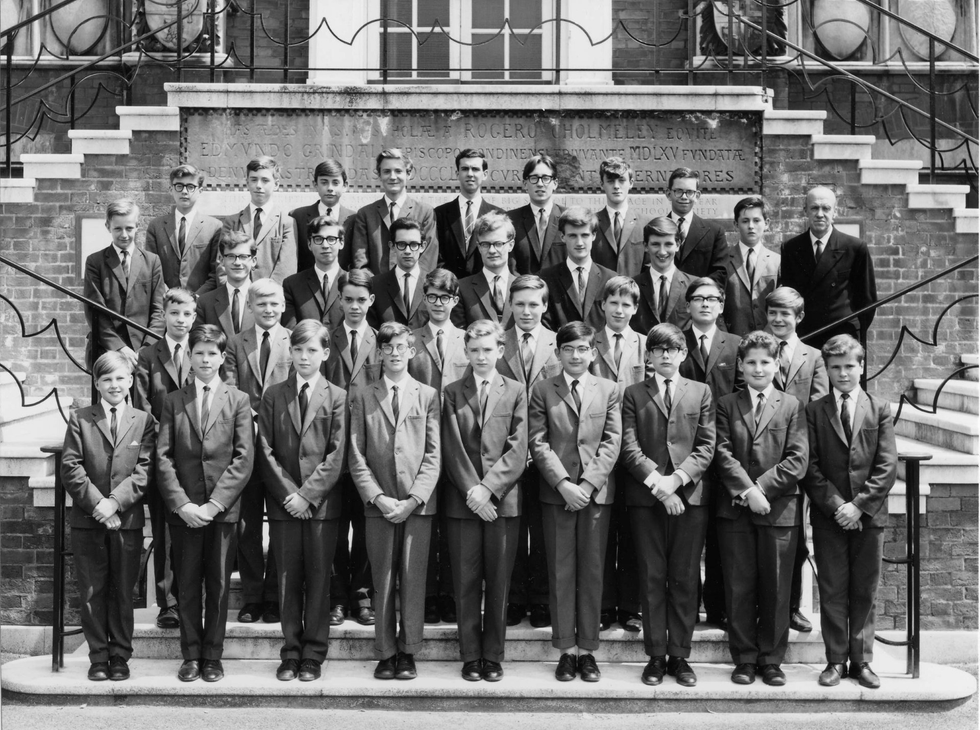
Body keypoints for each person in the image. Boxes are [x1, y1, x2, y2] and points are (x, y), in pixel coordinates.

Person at [156, 324, 254, 683]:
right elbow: (163, 458)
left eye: (212, 353)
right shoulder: (173, 401)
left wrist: (214, 505)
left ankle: (213, 655)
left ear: (222, 357)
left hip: (222, 511)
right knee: (187, 583)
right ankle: (191, 654)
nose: (206, 359)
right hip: (185, 512)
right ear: (190, 357)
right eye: (199, 352)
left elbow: (243, 458)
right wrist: (182, 504)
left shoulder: (238, 400)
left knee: (219, 584)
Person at [620, 323, 715, 687]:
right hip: (647, 499)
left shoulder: (701, 392)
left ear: (683, 354)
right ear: (648, 355)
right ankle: (656, 656)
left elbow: (706, 446)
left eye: (672, 350)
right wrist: (659, 486)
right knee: (652, 575)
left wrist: (676, 482)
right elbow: (629, 448)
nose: (664, 355)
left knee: (685, 577)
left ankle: (680, 656)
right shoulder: (633, 393)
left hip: (689, 499)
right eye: (657, 350)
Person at [712, 330, 808, 687]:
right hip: (736, 509)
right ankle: (745, 658)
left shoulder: (792, 405)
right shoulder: (725, 404)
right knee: (740, 585)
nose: (757, 368)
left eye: (765, 361)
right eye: (750, 361)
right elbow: (721, 452)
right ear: (740, 365)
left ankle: (771, 659)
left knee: (776, 586)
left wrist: (761, 489)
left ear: (776, 363)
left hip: (778, 509)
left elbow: (797, 458)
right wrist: (745, 491)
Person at [528, 321, 622, 683]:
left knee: (593, 571)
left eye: (583, 348)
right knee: (561, 571)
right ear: (558, 353)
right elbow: (538, 441)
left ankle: (588, 651)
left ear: (593, 352)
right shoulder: (543, 390)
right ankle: (566, 651)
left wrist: (588, 482)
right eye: (569, 349)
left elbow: (612, 441)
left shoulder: (609, 389)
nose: (576, 355)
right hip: (557, 495)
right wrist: (565, 484)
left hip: (596, 495)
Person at [348, 322, 441, 681]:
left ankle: (409, 650)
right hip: (380, 505)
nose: (396, 353)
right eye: (389, 348)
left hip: (417, 506)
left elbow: (433, 455)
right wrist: (377, 497)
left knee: (413, 578)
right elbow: (356, 454)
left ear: (412, 351)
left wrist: (415, 498)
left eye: (402, 346)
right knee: (382, 580)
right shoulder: (363, 395)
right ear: (380, 353)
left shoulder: (428, 395)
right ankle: (385, 651)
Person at [802, 334, 897, 689]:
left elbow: (887, 466)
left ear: (862, 367)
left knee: (864, 589)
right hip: (830, 516)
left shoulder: (879, 408)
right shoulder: (814, 411)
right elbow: (810, 466)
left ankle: (862, 661)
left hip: (868, 517)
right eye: (835, 368)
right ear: (826, 370)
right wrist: (837, 505)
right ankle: (835, 660)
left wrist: (859, 506)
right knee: (832, 588)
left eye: (849, 367)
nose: (843, 374)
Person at [257, 319, 348, 682]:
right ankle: (290, 651)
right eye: (298, 350)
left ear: (325, 354)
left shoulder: (338, 396)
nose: (304, 357)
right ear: (289, 352)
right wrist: (288, 495)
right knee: (287, 580)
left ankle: (313, 653)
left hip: (321, 506)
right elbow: (264, 449)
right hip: (283, 504)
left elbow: (338, 452)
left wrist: (308, 495)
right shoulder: (274, 394)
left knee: (318, 578)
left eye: (312, 350)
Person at [441, 319, 528, 682]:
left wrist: (489, 489)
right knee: (465, 580)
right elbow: (451, 446)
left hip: (502, 502)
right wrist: (472, 491)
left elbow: (518, 447)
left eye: (488, 350)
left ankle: (492, 655)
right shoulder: (450, 392)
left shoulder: (516, 390)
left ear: (500, 351)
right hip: (464, 502)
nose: (481, 356)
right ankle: (470, 654)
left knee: (498, 580)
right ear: (465, 351)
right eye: (474, 350)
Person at [62, 352, 155, 682]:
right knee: (92, 591)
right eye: (107, 379)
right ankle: (98, 655)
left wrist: (115, 503)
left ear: (130, 380)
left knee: (122, 590)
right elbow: (71, 467)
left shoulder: (144, 421)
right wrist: (98, 505)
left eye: (120, 378)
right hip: (88, 521)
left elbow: (145, 471)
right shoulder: (81, 419)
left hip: (126, 521)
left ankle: (120, 656)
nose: (114, 385)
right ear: (97, 383)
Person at [223, 278, 293, 624]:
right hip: (247, 442)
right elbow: (232, 387)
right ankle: (252, 596)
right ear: (250, 307)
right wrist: (249, 418)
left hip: (282, 444)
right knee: (248, 523)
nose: (268, 310)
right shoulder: (236, 343)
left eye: (274, 303)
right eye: (261, 304)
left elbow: (295, 390)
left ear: (283, 306)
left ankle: (277, 595)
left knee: (280, 521)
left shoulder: (294, 342)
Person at [496, 275, 562, 627]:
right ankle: (514, 597)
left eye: (534, 304)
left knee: (544, 528)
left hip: (547, 449)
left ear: (545, 306)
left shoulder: (558, 343)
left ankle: (541, 599)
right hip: (507, 450)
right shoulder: (498, 342)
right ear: (509, 304)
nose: (526, 311)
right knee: (513, 529)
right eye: (519, 303)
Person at [679, 277, 743, 631]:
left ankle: (717, 608)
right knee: (688, 540)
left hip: (723, 453)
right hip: (684, 454)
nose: (705, 304)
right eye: (698, 298)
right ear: (687, 306)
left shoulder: (735, 345)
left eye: (712, 299)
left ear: (721, 306)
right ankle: (687, 609)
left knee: (721, 538)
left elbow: (741, 398)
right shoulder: (676, 343)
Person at [766, 286, 830, 634]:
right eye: (773, 312)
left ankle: (791, 606)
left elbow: (817, 406)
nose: (778, 319)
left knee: (793, 537)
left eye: (785, 314)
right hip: (759, 457)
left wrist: (797, 450)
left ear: (799, 318)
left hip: (798, 457)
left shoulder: (813, 357)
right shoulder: (756, 349)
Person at [133, 287, 197, 630]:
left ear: (195, 316)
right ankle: (168, 603)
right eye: (175, 314)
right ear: (165, 315)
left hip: (199, 456)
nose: (181, 320)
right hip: (163, 454)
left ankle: (194, 598)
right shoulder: (148, 355)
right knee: (165, 532)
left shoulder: (203, 351)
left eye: (187, 314)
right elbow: (142, 405)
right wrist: (167, 438)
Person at [408, 268, 468, 623]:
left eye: (445, 298)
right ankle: (428, 593)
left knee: (455, 522)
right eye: (431, 296)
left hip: (461, 443)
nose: (438, 304)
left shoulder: (466, 338)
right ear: (424, 298)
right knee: (426, 519)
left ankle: (450, 593)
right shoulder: (412, 340)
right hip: (422, 446)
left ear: (455, 300)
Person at [324, 269, 382, 627]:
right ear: (339, 300)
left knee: (364, 527)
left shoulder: (381, 340)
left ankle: (362, 596)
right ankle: (336, 598)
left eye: (362, 300)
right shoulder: (326, 339)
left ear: (371, 301)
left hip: (368, 447)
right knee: (333, 525)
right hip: (331, 445)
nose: (355, 306)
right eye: (348, 299)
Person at [591, 276, 647, 632]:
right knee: (601, 530)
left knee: (632, 529)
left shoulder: (645, 344)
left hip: (636, 448)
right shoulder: (589, 343)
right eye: (614, 302)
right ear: (603, 305)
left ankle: (629, 605)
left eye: (627, 304)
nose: (620, 310)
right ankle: (602, 603)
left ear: (636, 309)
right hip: (598, 448)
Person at [778, 186, 878, 349]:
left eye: (826, 208)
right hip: (805, 336)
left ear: (835, 212)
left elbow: (867, 301)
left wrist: (855, 334)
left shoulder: (854, 247)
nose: (819, 214)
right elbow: (790, 297)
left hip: (842, 337)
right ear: (805, 211)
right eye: (814, 208)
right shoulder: (791, 248)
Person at [83, 198, 166, 369]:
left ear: (138, 226)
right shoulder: (95, 262)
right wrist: (119, 347)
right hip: (107, 352)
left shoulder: (152, 262)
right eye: (117, 229)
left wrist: (146, 348)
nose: (124, 235)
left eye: (129, 228)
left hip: (144, 354)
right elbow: (94, 310)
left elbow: (159, 311)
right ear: (108, 227)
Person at [351, 148, 438, 275]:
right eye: (386, 171)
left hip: (414, 288)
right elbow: (360, 261)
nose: (392, 177)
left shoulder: (425, 212)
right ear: (379, 175)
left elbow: (428, 260)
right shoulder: (365, 214)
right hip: (377, 288)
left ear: (408, 174)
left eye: (398, 171)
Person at [144, 164, 222, 294]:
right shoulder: (156, 226)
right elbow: (151, 269)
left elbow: (216, 272)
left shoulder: (214, 227)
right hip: (166, 303)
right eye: (179, 186)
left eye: (191, 187)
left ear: (200, 191)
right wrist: (169, 295)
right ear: (171, 190)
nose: (184, 191)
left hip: (200, 304)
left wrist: (196, 298)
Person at [222, 156, 297, 284]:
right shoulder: (232, 222)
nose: (258, 186)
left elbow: (286, 268)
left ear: (276, 184)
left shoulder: (286, 223)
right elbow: (222, 265)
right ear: (247, 183)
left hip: (271, 298)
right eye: (254, 180)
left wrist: (265, 295)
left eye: (265, 180)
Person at [540, 207, 616, 333]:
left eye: (585, 235)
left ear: (594, 236)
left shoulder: (611, 279)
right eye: (573, 236)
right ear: (562, 237)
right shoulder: (546, 279)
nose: (579, 242)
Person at [434, 149, 504, 277]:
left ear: (485, 174)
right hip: (449, 288)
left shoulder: (498, 215)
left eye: (475, 169)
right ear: (457, 173)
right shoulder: (439, 214)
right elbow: (436, 256)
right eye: (465, 169)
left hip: (483, 288)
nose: (470, 174)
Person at [723, 196, 779, 336]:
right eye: (745, 221)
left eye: (756, 220)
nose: (751, 226)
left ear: (766, 223)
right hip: (733, 337)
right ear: (736, 224)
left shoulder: (777, 261)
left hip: (768, 339)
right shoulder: (723, 260)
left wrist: (768, 333)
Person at [664, 168, 728, 288]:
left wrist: (697, 294)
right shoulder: (655, 228)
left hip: (699, 301)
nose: (684, 197)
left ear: (697, 195)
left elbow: (720, 273)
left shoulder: (714, 232)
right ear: (668, 194)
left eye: (689, 192)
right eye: (678, 191)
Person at [452, 211, 516, 330]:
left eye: (498, 244)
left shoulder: (522, 286)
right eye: (485, 244)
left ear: (511, 245)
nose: (492, 250)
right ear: (479, 246)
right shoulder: (462, 288)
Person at [282, 216, 347, 331]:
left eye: (331, 239)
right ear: (309, 244)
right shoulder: (292, 285)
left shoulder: (352, 282)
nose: (325, 245)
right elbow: (290, 332)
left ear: (341, 243)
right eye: (318, 239)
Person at [290, 159, 355, 272]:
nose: (330, 188)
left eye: (335, 183)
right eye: (324, 182)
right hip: (307, 283)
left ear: (345, 186)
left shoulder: (354, 218)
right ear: (315, 185)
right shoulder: (297, 216)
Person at [631, 217, 693, 335]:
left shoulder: (693, 285)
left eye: (668, 244)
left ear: (678, 245)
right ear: (645, 246)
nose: (662, 252)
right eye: (655, 244)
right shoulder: (633, 286)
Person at [592, 157, 650, 278]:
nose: (616, 186)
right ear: (602, 184)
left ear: (631, 183)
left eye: (621, 180)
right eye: (610, 181)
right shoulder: (591, 222)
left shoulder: (646, 223)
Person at [508, 153, 566, 274]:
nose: (540, 184)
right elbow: (511, 268)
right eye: (534, 178)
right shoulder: (510, 220)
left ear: (555, 183)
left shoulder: (568, 217)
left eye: (546, 178)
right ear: (525, 184)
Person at [369, 218, 430, 330]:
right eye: (401, 244)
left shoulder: (432, 283)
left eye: (413, 244)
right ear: (392, 246)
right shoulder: (375, 285)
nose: (407, 251)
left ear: (422, 246)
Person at [194, 231, 256, 336]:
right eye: (231, 256)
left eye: (243, 257)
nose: (237, 262)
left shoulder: (266, 301)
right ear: (222, 260)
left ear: (253, 261)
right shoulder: (204, 303)